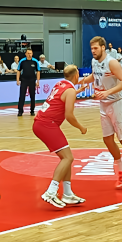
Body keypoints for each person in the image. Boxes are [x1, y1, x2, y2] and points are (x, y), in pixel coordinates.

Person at [80, 36, 122, 191]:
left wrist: (108, 92)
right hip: (104, 104)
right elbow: (95, 76)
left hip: (118, 103)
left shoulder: (112, 62)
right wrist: (82, 81)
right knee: (107, 139)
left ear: (103, 47)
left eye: (95, 48)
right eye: (91, 48)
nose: (93, 51)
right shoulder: (95, 62)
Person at [35, 65, 88, 208]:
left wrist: (77, 92)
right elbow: (69, 115)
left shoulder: (60, 84)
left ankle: (68, 193)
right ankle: (51, 192)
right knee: (68, 158)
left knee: (67, 158)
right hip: (47, 124)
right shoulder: (70, 91)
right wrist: (81, 127)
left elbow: (63, 97)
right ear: (77, 75)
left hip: (41, 123)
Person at [17, 49, 41, 116]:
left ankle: (32, 110)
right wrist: (17, 80)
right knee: (22, 96)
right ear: (25, 54)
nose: (29, 54)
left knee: (32, 96)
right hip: (24, 80)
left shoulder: (35, 61)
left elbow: (38, 71)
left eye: (30, 53)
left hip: (32, 80)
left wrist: (38, 81)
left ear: (32, 54)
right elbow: (18, 70)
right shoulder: (22, 61)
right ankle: (20, 111)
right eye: (28, 53)